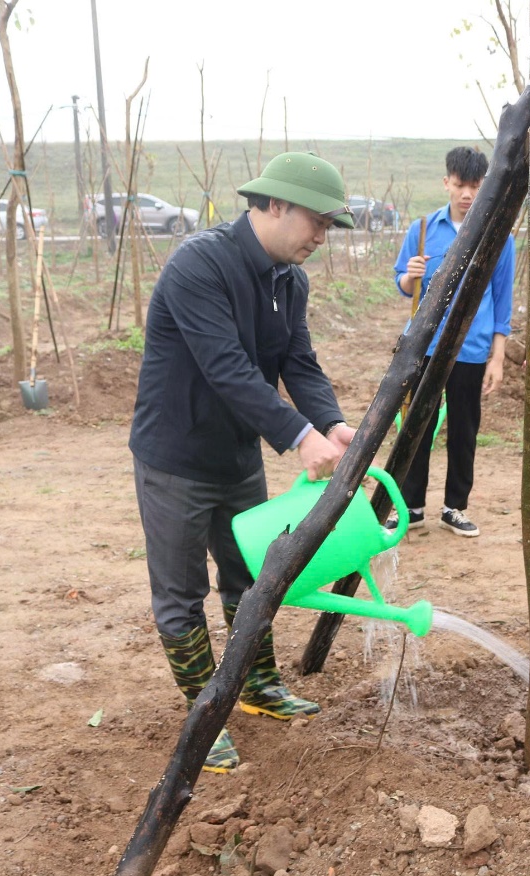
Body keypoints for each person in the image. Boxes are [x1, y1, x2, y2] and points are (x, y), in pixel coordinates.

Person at [129, 152, 358, 772]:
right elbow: (225, 366)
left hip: (236, 453)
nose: (321, 237)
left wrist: (333, 425)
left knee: (250, 576)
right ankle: (206, 714)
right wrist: (299, 438)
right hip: (176, 456)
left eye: (330, 227)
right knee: (181, 591)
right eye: (317, 221)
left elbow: (298, 363)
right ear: (274, 204)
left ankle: (255, 687)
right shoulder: (199, 265)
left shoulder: (290, 279)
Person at [391, 146, 514, 538]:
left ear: (485, 187)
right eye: (460, 185)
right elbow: (402, 284)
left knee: (464, 430)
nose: (467, 194)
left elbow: (502, 300)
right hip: (426, 347)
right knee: (417, 427)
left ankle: (455, 507)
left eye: (475, 186)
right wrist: (409, 276)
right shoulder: (423, 230)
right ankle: (411, 507)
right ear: (447, 182)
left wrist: (497, 358)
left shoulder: (498, 237)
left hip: (473, 349)